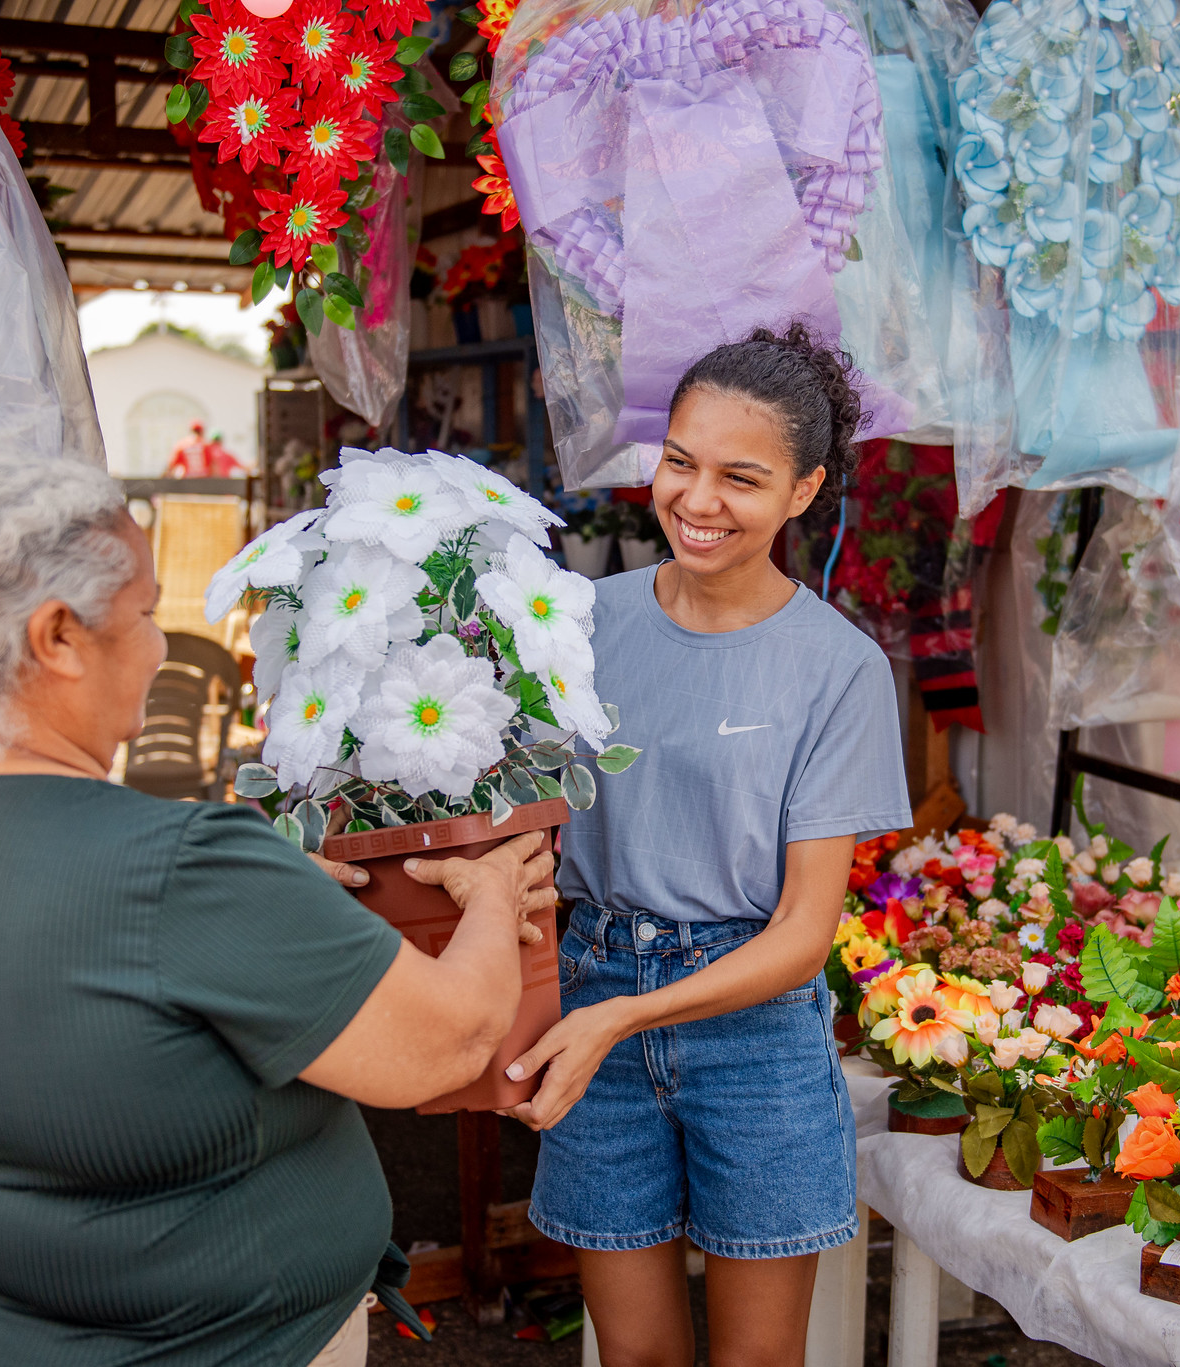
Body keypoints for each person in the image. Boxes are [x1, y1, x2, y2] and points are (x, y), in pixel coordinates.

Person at [0, 457, 555, 1367]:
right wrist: (489, 898)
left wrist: (264, 914)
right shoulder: (181, 868)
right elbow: (445, 1043)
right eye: (141, 615)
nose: (160, 648)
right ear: (57, 637)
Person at [507, 324, 913, 1367]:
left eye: (740, 476)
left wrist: (622, 1018)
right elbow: (525, 827)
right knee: (636, 1356)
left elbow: (800, 936)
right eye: (679, 461)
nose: (696, 499)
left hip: (754, 1029)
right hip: (593, 981)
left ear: (802, 489)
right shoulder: (581, 624)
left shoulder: (836, 668)